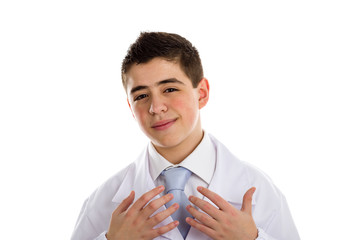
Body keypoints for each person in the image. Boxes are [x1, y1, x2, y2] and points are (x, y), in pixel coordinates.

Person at [71, 32, 300, 240]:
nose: (156, 107)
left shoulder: (258, 190)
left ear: (201, 94)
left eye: (170, 89)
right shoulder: (103, 202)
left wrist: (252, 239)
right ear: (131, 108)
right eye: (141, 95)